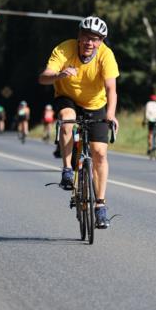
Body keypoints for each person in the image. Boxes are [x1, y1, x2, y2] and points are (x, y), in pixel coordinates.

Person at [38, 15, 119, 229]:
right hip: (68, 98)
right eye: (86, 37)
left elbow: (111, 88)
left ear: (101, 41)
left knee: (99, 152)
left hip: (95, 104)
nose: (89, 43)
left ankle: (100, 206)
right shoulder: (64, 49)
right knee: (67, 119)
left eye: (95, 39)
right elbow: (43, 77)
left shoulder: (106, 56)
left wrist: (110, 114)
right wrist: (59, 75)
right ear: (79, 36)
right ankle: (66, 169)